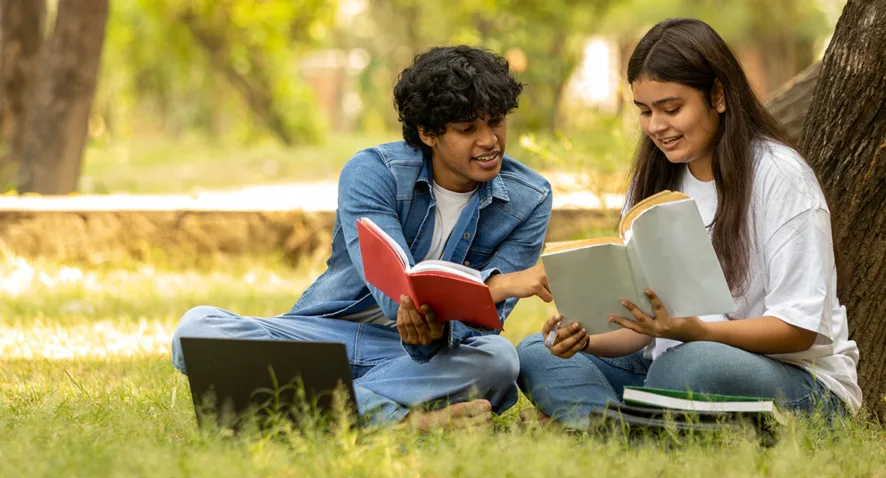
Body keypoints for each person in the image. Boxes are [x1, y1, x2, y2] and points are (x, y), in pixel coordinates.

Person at [171, 45, 553, 430]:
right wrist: (501, 284)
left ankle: (297, 407)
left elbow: (483, 324)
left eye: (497, 122)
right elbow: (397, 297)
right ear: (428, 133)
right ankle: (403, 422)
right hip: (326, 338)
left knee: (498, 360)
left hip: (422, 359)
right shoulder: (373, 172)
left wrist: (436, 333)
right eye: (468, 129)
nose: (490, 140)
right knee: (198, 329)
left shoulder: (529, 198)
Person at [516, 18, 861, 429]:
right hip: (673, 360)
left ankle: (606, 419)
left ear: (717, 95)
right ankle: (619, 429)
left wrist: (695, 331)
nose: (656, 127)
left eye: (671, 108)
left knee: (685, 369)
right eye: (645, 112)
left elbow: (798, 330)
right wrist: (584, 340)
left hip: (792, 379)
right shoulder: (654, 182)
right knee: (537, 352)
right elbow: (645, 330)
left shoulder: (779, 176)